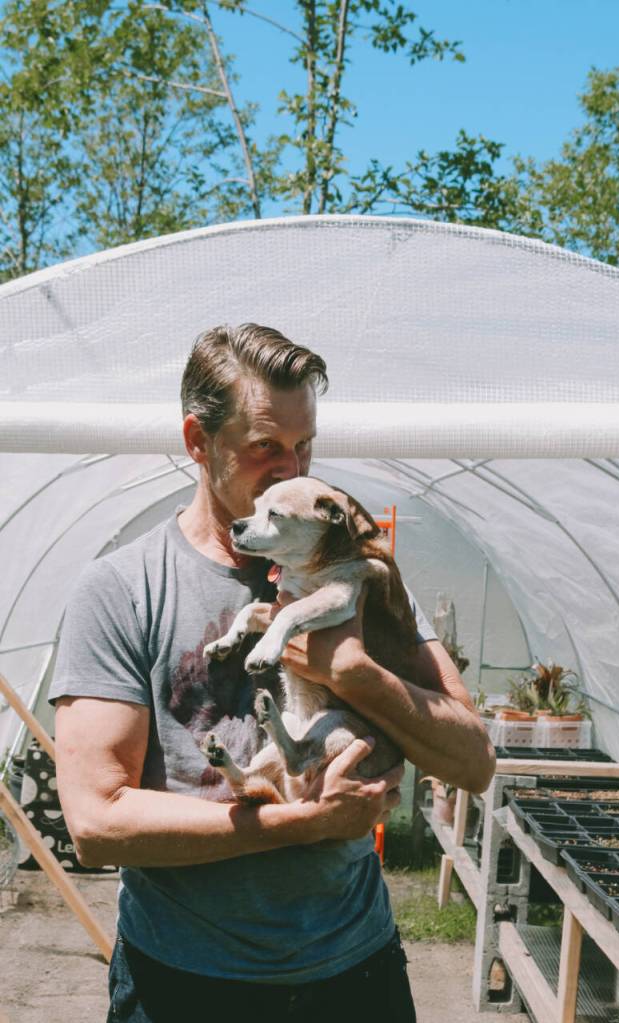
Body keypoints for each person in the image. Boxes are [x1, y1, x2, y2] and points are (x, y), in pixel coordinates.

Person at [50, 323, 496, 1023]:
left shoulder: (357, 569)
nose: (292, 470)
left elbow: (472, 760)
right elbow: (96, 820)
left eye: (304, 445)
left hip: (353, 973)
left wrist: (354, 672)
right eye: (265, 448)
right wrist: (299, 822)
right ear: (198, 441)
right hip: (182, 984)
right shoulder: (122, 587)